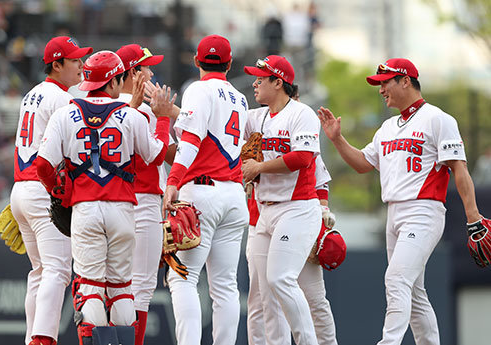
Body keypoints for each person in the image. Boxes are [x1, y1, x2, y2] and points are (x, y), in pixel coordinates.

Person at [318, 58, 485, 345]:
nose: (381, 90)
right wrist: (337, 139)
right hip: (393, 214)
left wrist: (473, 217)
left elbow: (459, 168)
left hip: (424, 210)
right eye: (379, 84)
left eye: (385, 82)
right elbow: (362, 163)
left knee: (396, 279)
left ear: (405, 80)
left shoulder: (438, 118)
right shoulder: (386, 128)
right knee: (415, 293)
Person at [36, 50, 175, 345]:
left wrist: (60, 193)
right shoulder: (130, 114)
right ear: (114, 81)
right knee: (123, 288)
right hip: (123, 209)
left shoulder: (65, 112)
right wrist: (162, 120)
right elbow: (158, 154)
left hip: (85, 208)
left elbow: (43, 166)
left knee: (90, 288)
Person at [162, 34, 249, 345]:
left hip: (202, 192)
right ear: (229, 63)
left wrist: (172, 181)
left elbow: (192, 139)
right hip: (233, 194)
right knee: (225, 285)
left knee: (182, 277)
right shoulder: (240, 97)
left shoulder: (198, 89)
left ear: (197, 61)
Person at [10, 36, 92, 345]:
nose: (81, 65)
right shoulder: (60, 98)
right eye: (74, 61)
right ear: (56, 65)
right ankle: (42, 340)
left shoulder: (32, 93)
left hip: (22, 188)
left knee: (40, 272)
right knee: (57, 271)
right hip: (42, 189)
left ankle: (33, 337)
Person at [245, 88, 337, 345]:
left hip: (297, 216)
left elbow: (320, 182)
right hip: (261, 217)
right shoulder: (259, 123)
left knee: (314, 297)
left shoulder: (301, 124)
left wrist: (323, 215)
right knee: (262, 299)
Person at [115, 43, 177, 345]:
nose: (151, 72)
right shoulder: (148, 111)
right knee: (140, 286)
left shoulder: (98, 103)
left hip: (107, 203)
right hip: (143, 201)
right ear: (132, 73)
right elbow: (163, 154)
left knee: (107, 286)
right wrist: (167, 117)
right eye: (146, 67)